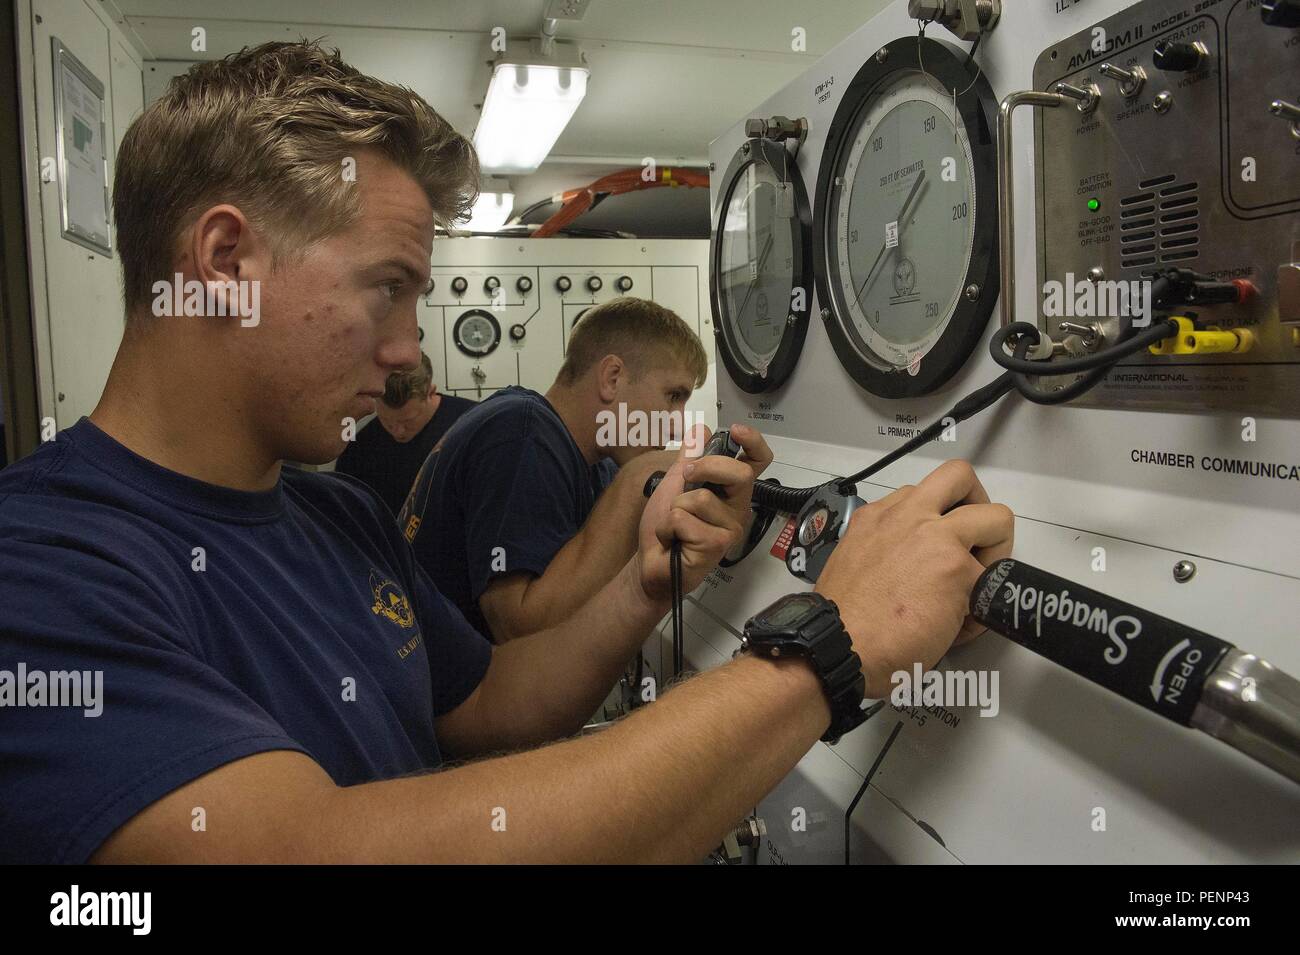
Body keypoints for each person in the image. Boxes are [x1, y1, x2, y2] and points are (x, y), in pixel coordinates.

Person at [0, 41, 1013, 864]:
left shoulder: (329, 513)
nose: (407, 350)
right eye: (384, 287)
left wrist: (646, 580)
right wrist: (832, 642)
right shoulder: (40, 568)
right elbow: (305, 846)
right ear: (223, 263)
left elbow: (486, 704)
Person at [400, 297, 703, 643]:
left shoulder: (593, 465)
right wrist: (637, 480)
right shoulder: (521, 432)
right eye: (673, 395)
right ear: (612, 377)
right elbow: (519, 630)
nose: (678, 425)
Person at [335, 352, 473, 515]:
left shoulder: (471, 428)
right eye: (387, 420)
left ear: (431, 392)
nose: (398, 432)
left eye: (408, 421)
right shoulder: (360, 451)